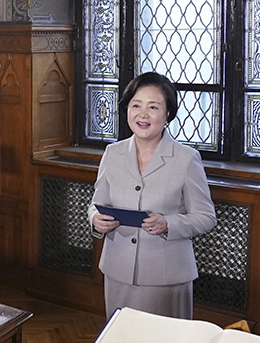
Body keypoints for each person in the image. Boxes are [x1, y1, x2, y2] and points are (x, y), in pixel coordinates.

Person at [88, 72, 216, 320]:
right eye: (136, 105)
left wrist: (169, 223)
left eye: (153, 107)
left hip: (166, 276)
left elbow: (206, 217)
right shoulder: (112, 153)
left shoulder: (186, 158)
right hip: (118, 270)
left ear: (168, 114)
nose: (142, 114)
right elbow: (96, 203)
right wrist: (95, 219)